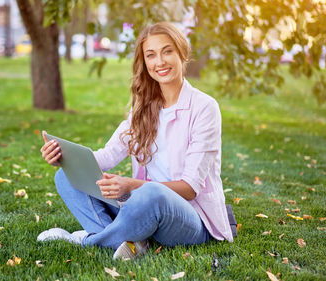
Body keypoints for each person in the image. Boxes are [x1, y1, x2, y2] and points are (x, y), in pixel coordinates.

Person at [38, 22, 233, 260]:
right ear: (145, 62)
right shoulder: (143, 108)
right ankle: (129, 242)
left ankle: (88, 240)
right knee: (66, 177)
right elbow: (107, 156)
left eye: (167, 51)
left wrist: (130, 186)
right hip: (141, 205)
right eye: (151, 55)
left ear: (182, 52)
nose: (160, 62)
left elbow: (190, 189)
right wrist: (64, 157)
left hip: (191, 219)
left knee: (150, 194)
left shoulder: (204, 108)